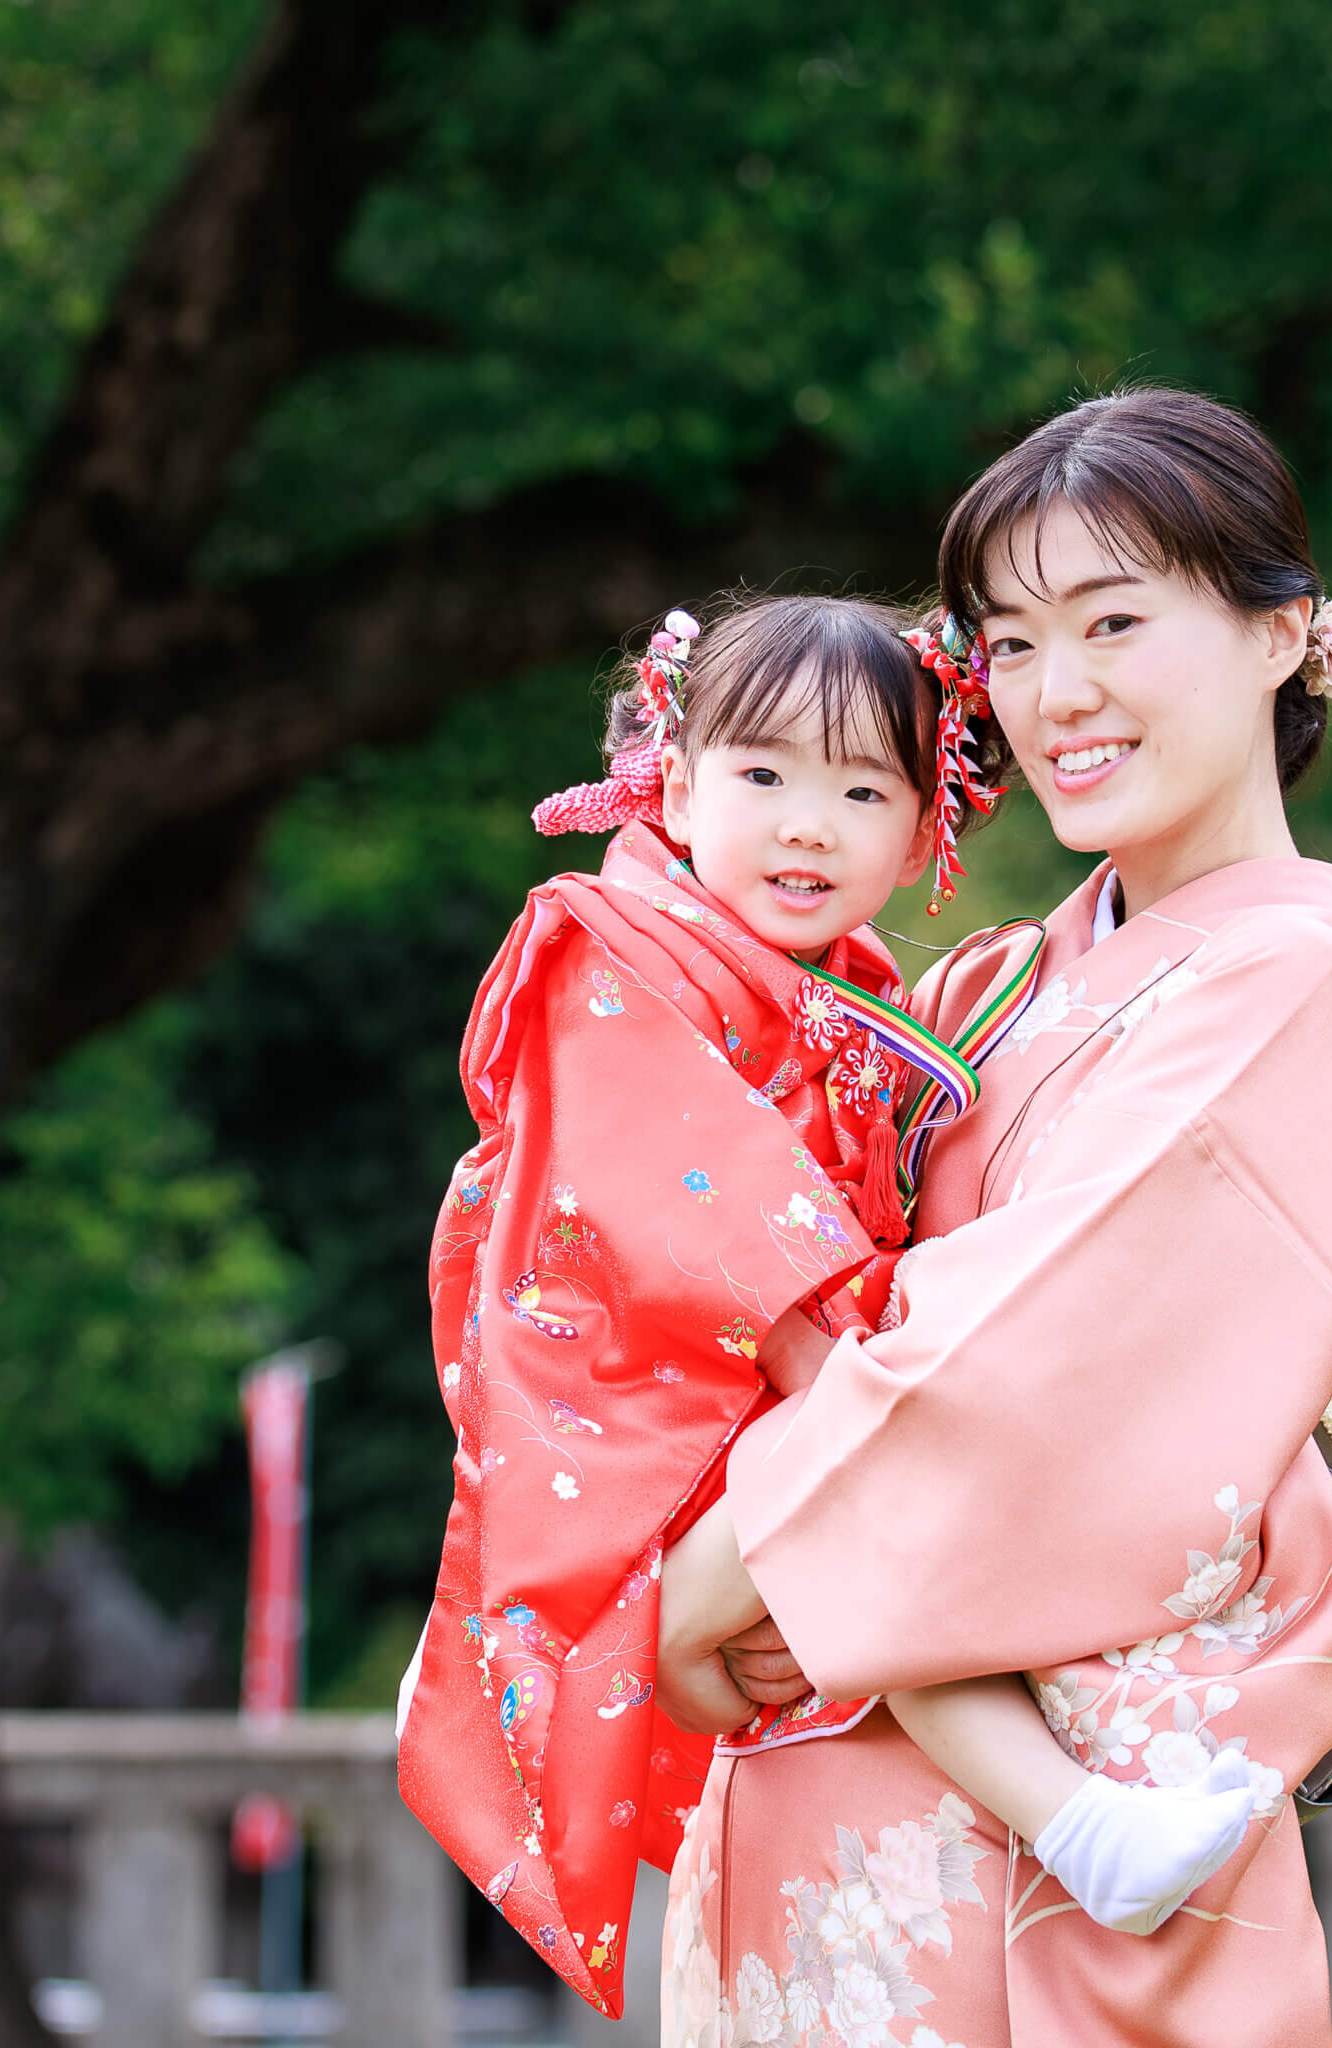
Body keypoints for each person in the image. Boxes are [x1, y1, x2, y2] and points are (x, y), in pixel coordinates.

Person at [652, 387, 1332, 2048]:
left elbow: (1013, 1363)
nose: (1054, 694)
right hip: (823, 1806)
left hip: (1035, 1857)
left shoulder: (1292, 979)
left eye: (1117, 623)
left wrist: (708, 1573)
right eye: (1005, 643)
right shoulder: (990, 984)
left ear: (1284, 633)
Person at [398, 593, 1258, 2020]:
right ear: (672, 783)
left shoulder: (850, 993)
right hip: (654, 1390)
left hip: (768, 1380)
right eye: (763, 777)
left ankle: (1083, 1821)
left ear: (929, 830)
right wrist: (855, 1379)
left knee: (890, 1540)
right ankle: (1085, 1826)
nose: (808, 825)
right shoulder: (606, 945)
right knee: (885, 1516)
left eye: (864, 789)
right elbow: (682, 1194)